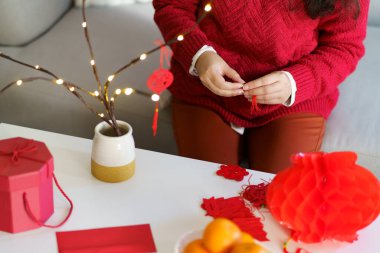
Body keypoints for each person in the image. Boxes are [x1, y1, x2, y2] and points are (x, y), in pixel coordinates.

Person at [152, 0, 369, 173]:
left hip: (293, 98)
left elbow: (344, 46)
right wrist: (199, 55)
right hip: (206, 88)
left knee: (277, 200)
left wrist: (294, 82)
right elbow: (172, 6)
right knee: (207, 196)